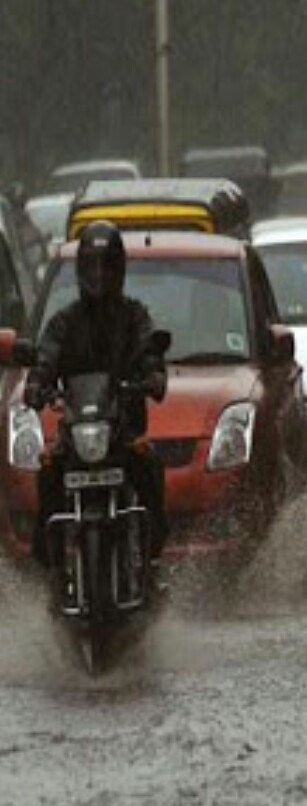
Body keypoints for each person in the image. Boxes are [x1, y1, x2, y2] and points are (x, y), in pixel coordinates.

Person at [24, 220, 168, 567]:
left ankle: (151, 553)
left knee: (149, 466)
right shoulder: (65, 321)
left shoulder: (134, 316)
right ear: (80, 270)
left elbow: (150, 349)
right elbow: (47, 354)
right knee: (48, 472)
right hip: (77, 432)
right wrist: (37, 382)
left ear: (120, 268)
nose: (100, 275)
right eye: (91, 266)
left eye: (107, 266)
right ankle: (50, 562)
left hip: (123, 428)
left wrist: (152, 374)